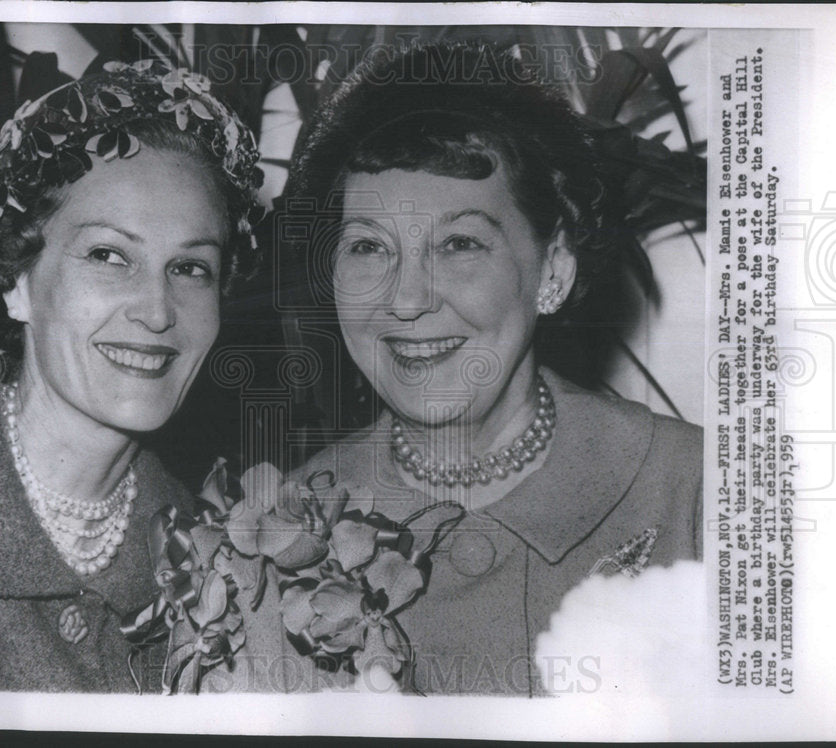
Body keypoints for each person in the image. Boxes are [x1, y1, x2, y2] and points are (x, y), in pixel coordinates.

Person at [282, 43, 702, 695]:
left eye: (460, 244)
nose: (407, 300)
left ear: (553, 270)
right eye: (368, 246)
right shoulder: (289, 526)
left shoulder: (699, 493)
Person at [0, 60, 267, 691]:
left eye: (191, 268)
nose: (158, 310)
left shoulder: (218, 552)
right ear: (15, 282)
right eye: (109, 255)